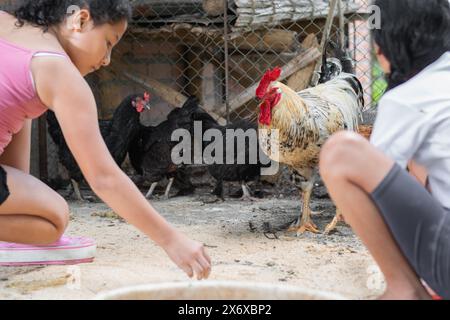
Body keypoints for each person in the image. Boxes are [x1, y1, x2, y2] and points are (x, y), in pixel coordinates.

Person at [0, 0, 211, 280]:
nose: (107, 59)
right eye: (108, 42)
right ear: (81, 20)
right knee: (53, 217)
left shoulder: (6, 23)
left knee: (25, 112)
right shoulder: (59, 72)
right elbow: (103, 178)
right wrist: (171, 239)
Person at [319, 0, 450, 299]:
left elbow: (376, 196)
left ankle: (403, 287)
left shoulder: (407, 97)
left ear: (388, 45)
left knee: (341, 153)